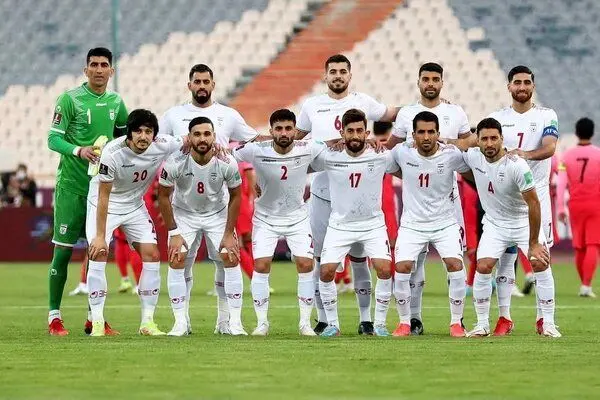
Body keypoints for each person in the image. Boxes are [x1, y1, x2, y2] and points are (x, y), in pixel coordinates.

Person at [296, 54, 398, 335]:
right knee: (320, 260)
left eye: (343, 71)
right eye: (333, 71)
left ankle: (367, 320)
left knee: (360, 259)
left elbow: (393, 114)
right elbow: (295, 140)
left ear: (350, 75)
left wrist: (428, 107)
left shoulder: (363, 101)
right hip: (322, 195)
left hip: (357, 201)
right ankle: (324, 319)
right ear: (325, 75)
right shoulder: (311, 105)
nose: (338, 75)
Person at [159, 64, 263, 324]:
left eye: (206, 81)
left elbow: (254, 141)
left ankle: (225, 322)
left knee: (225, 258)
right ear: (190, 85)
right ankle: (182, 323)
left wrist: (290, 142)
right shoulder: (173, 115)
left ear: (213, 85)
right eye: (197, 81)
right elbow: (155, 142)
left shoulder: (228, 115)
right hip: (184, 204)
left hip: (218, 204)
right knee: (180, 260)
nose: (202, 86)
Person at [386, 62, 474, 335]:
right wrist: (411, 174)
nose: (431, 83)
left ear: (442, 82)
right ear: (419, 82)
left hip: (447, 208)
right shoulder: (406, 117)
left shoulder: (455, 113)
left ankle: (456, 321)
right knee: (410, 265)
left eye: (436, 79)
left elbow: (470, 148)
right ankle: (409, 320)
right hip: (414, 214)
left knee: (455, 262)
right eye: (426, 79)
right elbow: (389, 153)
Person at [46, 47, 128, 336]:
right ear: (86, 70)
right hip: (71, 187)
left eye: (104, 65)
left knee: (98, 252)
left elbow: (125, 139)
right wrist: (78, 150)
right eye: (94, 64)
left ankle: (95, 318)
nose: (99, 69)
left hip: (100, 191)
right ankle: (54, 317)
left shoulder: (116, 102)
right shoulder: (69, 99)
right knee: (62, 252)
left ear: (111, 71)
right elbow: (53, 140)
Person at [86, 109, 185, 336]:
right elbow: (103, 197)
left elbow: (189, 139)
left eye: (148, 132)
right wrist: (100, 236)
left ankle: (147, 322)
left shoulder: (163, 144)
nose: (143, 136)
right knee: (98, 252)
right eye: (138, 131)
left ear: (154, 134)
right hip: (105, 203)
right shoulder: (112, 153)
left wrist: (218, 147)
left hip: (134, 205)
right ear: (129, 134)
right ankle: (98, 322)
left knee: (152, 254)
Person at [462, 118, 560, 338]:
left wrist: (534, 243)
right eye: (484, 139)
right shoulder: (473, 157)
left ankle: (549, 323)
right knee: (483, 266)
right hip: (495, 224)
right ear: (477, 140)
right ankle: (482, 324)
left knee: (540, 262)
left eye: (494, 138)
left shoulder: (516, 165)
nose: (489, 143)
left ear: (502, 139)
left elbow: (534, 203)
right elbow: (455, 146)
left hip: (522, 221)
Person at [234, 109, 326, 336]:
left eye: (288, 128)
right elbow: (229, 155)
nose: (284, 133)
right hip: (266, 218)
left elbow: (334, 147)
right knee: (261, 265)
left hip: (297, 217)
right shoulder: (256, 149)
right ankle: (262, 323)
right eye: (279, 129)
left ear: (295, 131)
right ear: (271, 131)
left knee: (305, 264)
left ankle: (305, 324)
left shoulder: (308, 147)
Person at [311, 109, 400, 337]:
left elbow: (405, 167)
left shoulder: (381, 155)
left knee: (384, 268)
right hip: (340, 225)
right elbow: (301, 154)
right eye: (350, 131)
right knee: (326, 271)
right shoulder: (330, 156)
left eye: (360, 130)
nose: (355, 135)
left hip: (372, 224)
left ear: (367, 133)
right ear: (342, 133)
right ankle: (332, 324)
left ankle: (377, 324)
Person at [487, 65, 559, 335]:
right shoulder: (497, 117)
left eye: (527, 82)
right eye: (517, 82)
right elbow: (481, 144)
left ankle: (544, 319)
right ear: (509, 86)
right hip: (505, 198)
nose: (522, 87)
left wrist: (525, 154)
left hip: (536, 195)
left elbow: (550, 147)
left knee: (541, 258)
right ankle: (504, 317)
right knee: (505, 260)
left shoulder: (546, 115)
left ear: (533, 86)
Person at [158, 116, 245, 336]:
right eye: (197, 134)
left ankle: (231, 322)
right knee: (177, 258)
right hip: (184, 214)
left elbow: (236, 196)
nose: (202, 139)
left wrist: (228, 233)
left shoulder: (227, 161)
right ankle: (180, 322)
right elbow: (163, 196)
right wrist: (174, 232)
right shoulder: (175, 161)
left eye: (207, 134)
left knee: (229, 256)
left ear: (214, 136)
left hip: (217, 214)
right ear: (189, 137)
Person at [557, 117, 600, 297]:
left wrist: (560, 207)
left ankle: (584, 285)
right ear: (593, 133)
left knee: (579, 246)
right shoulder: (598, 154)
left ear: (576, 133)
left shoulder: (566, 156)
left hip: (575, 204)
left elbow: (561, 184)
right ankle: (586, 285)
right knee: (593, 244)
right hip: (595, 204)